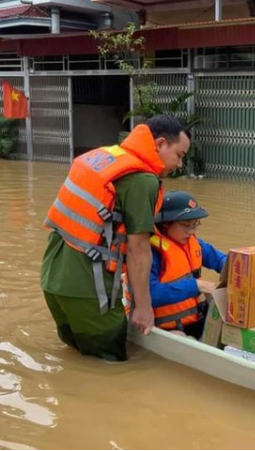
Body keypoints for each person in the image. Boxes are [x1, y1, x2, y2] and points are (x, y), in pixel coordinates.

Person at [41, 115, 191, 361]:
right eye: (180, 155)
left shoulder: (105, 155)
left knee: (77, 360)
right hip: (89, 288)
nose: (180, 165)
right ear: (161, 144)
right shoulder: (143, 180)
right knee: (110, 368)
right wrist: (143, 308)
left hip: (53, 279)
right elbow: (138, 249)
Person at [145, 191, 226, 338]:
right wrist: (197, 286)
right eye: (186, 225)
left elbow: (221, 260)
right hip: (166, 326)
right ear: (165, 223)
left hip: (195, 318)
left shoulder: (194, 243)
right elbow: (150, 294)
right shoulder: (150, 253)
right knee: (180, 336)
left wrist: (240, 269)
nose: (191, 232)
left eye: (195, 225)